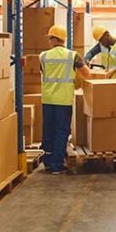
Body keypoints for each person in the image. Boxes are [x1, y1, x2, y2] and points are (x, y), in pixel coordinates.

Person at [40, 25, 91, 174]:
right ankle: (57, 165)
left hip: (48, 99)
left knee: (48, 129)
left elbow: (45, 72)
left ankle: (48, 163)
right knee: (61, 131)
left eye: (50, 38)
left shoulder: (43, 56)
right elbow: (86, 73)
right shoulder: (73, 56)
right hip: (63, 100)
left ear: (55, 39)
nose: (49, 41)